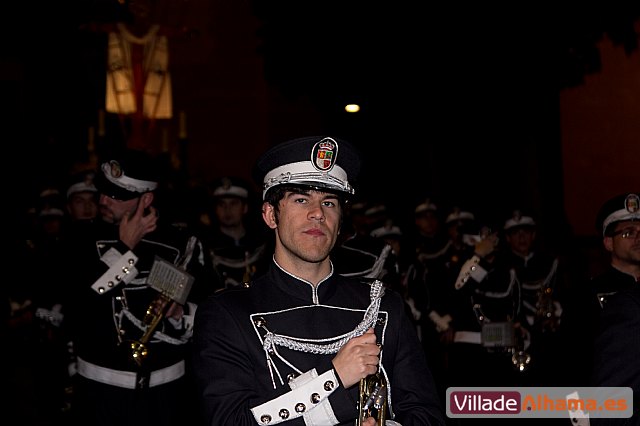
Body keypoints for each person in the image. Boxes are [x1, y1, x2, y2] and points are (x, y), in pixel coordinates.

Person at [192, 136, 445, 425]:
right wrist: (333, 378)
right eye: (301, 200)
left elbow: (427, 414)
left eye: (329, 202)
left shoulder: (385, 306)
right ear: (270, 215)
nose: (317, 214)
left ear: (340, 223)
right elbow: (230, 421)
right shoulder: (228, 313)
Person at [62, 148, 218, 426]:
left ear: (145, 198)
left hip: (166, 394)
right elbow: (79, 307)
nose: (103, 201)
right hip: (101, 394)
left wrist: (181, 312)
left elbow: (211, 304)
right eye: (103, 191)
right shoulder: (80, 238)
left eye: (116, 196)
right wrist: (125, 249)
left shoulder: (181, 241)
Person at [589, 192, 639, 425]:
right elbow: (573, 356)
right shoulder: (588, 293)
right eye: (628, 233)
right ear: (608, 242)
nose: (638, 238)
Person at [204, 176, 270, 289]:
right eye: (221, 204)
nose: (227, 209)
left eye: (233, 204)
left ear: (244, 208)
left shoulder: (261, 244)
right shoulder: (205, 247)